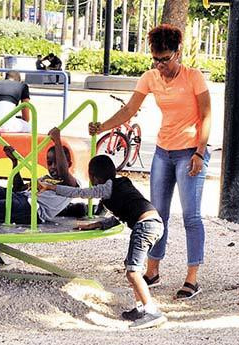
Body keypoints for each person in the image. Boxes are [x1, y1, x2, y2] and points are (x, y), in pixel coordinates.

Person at [88, 24, 212, 300]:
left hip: (190, 149)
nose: (159, 65)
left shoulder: (194, 77)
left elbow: (206, 115)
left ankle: (192, 277)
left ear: (177, 53)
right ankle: (153, 270)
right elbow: (130, 109)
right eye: (155, 59)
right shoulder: (151, 77)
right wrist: (102, 127)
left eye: (165, 59)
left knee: (191, 216)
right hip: (163, 151)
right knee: (158, 214)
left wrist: (200, 153)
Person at [38, 155, 166, 329]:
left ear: (94, 177)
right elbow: (122, 215)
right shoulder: (122, 184)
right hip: (153, 223)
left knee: (133, 272)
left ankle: (152, 312)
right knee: (130, 265)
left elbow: (79, 193)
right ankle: (141, 308)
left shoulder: (106, 188)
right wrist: (97, 224)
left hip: (145, 226)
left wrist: (51, 187)